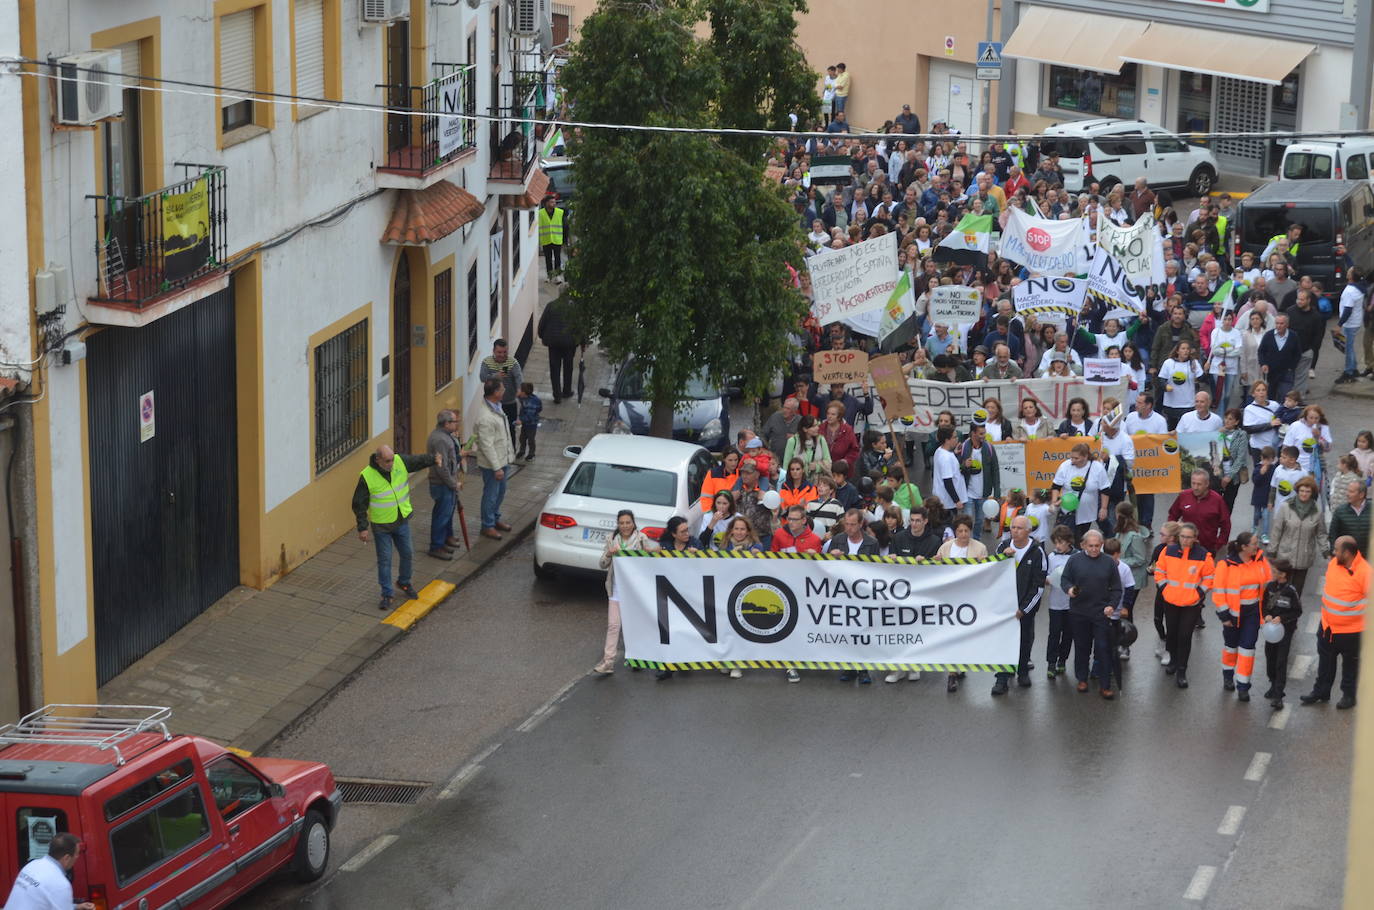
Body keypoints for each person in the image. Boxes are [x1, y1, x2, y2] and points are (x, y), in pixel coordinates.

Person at [352, 443, 439, 611]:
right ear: (378, 460)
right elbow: (359, 504)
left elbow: (417, 461)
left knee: (407, 553)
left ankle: (404, 582)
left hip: (401, 520)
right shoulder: (367, 476)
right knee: (385, 561)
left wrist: (433, 459)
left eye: (392, 460)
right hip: (382, 525)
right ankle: (387, 593)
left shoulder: (400, 461)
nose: (391, 464)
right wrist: (362, 527)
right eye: (387, 461)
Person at [1302, 535, 1368, 709]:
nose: (1333, 552)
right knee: (1325, 663)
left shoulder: (1365, 573)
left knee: (1350, 666)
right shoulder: (1334, 564)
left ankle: (1348, 696)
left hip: (1351, 632)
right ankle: (1321, 691)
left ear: (1346, 553)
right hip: (1327, 627)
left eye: (1337, 550)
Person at [593, 510, 658, 675]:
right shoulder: (611, 540)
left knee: (636, 625)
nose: (625, 526)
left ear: (633, 523)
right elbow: (602, 564)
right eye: (621, 523)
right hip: (616, 590)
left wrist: (651, 551)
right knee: (613, 626)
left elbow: (652, 556)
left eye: (628, 522)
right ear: (618, 524)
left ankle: (638, 657)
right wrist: (609, 553)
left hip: (635, 591)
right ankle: (608, 662)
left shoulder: (641, 538)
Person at [1060, 530, 1123, 699]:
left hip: (1100, 613)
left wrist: (1112, 605)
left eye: (1097, 546)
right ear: (1083, 545)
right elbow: (1065, 579)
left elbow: (1117, 588)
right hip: (1079, 612)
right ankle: (1082, 678)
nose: (1094, 549)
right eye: (1091, 546)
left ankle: (1105, 685)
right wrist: (1069, 589)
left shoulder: (1109, 563)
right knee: (1082, 647)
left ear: (1102, 545)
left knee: (1103, 648)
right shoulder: (1074, 560)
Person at [1155, 522, 1215, 689]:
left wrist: (1198, 594)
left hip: (1191, 604)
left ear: (1195, 538)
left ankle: (1182, 671)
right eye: (1182, 536)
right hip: (1171, 601)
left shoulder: (1203, 555)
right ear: (1178, 536)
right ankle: (1173, 661)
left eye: (1189, 537)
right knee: (1172, 634)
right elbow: (1160, 571)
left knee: (1185, 636)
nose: (1185, 540)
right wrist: (1165, 589)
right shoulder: (1168, 551)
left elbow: (1209, 577)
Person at [1212, 532, 1270, 702]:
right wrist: (1224, 616)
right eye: (1254, 543)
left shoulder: (1260, 561)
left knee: (1248, 648)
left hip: (1252, 613)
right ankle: (1228, 676)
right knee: (1231, 647)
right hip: (1232, 614)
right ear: (1244, 547)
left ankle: (1243, 687)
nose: (1257, 545)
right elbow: (1218, 592)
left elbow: (1268, 584)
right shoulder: (1225, 565)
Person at [993, 515, 1046, 695]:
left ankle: (1022, 671)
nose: (1014, 531)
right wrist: (1002, 558)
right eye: (1013, 527)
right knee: (1003, 641)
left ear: (1028, 531)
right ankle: (1002, 677)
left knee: (1024, 640)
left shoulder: (1038, 552)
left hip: (1024, 609)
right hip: (1004, 608)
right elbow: (992, 573)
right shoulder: (1002, 547)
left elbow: (1038, 587)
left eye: (1019, 528)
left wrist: (1024, 609)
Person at [653, 517, 700, 680]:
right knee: (668, 630)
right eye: (683, 531)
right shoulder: (664, 546)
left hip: (688, 595)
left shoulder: (695, 544)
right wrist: (652, 553)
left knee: (685, 629)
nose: (687, 533)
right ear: (673, 534)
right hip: (668, 594)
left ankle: (684, 660)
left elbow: (704, 567)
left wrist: (697, 556)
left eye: (687, 530)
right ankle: (667, 666)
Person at [1270, 474, 1328, 599]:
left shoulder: (1317, 511)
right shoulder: (1286, 507)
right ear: (1297, 491)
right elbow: (1277, 530)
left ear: (1312, 493)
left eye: (1307, 491)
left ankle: (1292, 616)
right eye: (1302, 491)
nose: (1304, 494)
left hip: (1304, 557)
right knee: (1282, 590)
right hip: (1285, 556)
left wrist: (1325, 551)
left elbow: (1321, 533)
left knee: (1296, 593)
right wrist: (1272, 550)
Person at [472, 378, 516, 541]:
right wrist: (496, 468)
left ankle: (495, 519)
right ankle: (487, 525)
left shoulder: (496, 407)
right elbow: (486, 445)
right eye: (502, 389)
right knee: (491, 495)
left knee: (500, 492)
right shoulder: (485, 417)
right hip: (492, 465)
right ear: (496, 393)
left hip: (501, 461)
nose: (504, 390)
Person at [4, 833, 94, 910]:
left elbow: (41, 901)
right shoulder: (60, 884)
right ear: (66, 858)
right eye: (77, 853)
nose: (77, 857)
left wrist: (75, 907)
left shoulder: (32, 865)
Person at [1262, 557, 1303, 709]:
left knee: (1281, 661)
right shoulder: (1270, 587)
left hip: (1285, 631)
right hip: (1271, 631)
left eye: (1275, 571)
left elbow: (1297, 611)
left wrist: (1282, 618)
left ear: (1283, 575)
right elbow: (1264, 604)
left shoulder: (1291, 591)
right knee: (1270, 659)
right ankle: (1272, 684)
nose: (1272, 573)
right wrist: (1265, 614)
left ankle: (1279, 695)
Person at [1051, 442, 1109, 540]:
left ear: (1085, 457)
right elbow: (1056, 486)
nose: (1072, 461)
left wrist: (1103, 508)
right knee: (1065, 540)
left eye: (1076, 458)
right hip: (1067, 512)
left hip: (1087, 513)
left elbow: (1105, 489)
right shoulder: (1065, 466)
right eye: (1071, 457)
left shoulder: (1097, 467)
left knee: (1081, 539)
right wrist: (1054, 502)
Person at [425, 410, 463, 560]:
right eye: (455, 422)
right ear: (446, 423)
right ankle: (436, 547)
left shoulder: (443, 436)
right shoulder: (440, 440)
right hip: (442, 484)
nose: (457, 424)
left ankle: (443, 541)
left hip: (444, 483)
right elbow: (442, 467)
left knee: (443, 514)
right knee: (441, 515)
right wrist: (454, 484)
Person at [1168, 469, 1230, 555]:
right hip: (1184, 546)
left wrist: (1218, 545)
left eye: (1199, 484)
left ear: (1207, 484)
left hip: (1207, 548)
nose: (1195, 487)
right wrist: (1172, 536)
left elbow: (1226, 525)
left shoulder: (1217, 500)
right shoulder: (1184, 496)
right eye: (1193, 483)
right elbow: (1172, 515)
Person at [1044, 525, 1077, 679]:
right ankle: (1051, 662)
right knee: (1054, 633)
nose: (1058, 546)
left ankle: (1062, 660)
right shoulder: (1051, 557)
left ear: (1069, 542)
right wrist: (1048, 580)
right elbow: (1048, 575)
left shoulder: (1076, 557)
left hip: (1071, 604)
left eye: (1061, 542)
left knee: (1068, 634)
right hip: (1055, 603)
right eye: (1056, 542)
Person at [537, 292, 579, 403]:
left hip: (554, 344)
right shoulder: (574, 307)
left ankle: (557, 395)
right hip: (569, 344)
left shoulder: (551, 305)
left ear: (559, 293)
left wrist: (542, 336)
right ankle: (567, 391)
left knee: (554, 369)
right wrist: (582, 341)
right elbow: (579, 325)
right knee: (568, 368)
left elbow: (542, 323)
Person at [479, 338, 523, 441]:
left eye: (504, 352)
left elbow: (518, 377)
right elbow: (482, 377)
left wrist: (519, 388)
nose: (502, 355)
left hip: (509, 402)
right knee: (493, 429)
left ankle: (511, 452)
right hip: (492, 403)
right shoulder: (487, 362)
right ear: (494, 351)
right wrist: (496, 375)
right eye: (499, 352)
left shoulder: (512, 363)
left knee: (510, 429)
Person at [1258, 313, 1302, 401]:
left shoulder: (1293, 336)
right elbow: (1261, 351)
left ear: (1287, 324)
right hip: (1271, 372)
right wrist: (1263, 364)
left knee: (1285, 396)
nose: (1279, 326)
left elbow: (1297, 353)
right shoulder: (1268, 335)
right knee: (1271, 398)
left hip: (1286, 373)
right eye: (1277, 323)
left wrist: (1292, 367)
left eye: (1281, 323)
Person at [1329, 479, 1371, 557]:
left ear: (1361, 494)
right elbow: (1333, 535)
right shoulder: (1340, 511)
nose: (1347, 494)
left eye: (1351, 492)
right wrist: (1333, 553)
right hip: (1347, 558)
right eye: (1347, 491)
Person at [931, 425, 967, 514]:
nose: (957, 439)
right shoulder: (946, 458)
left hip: (944, 501)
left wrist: (954, 453)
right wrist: (957, 500)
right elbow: (948, 481)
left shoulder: (939, 451)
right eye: (954, 437)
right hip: (948, 504)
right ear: (947, 440)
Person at [762, 397, 802, 466]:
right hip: (775, 459)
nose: (784, 410)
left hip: (793, 462)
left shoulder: (800, 421)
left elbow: (807, 439)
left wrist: (796, 438)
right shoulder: (775, 417)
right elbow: (763, 434)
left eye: (788, 409)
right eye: (784, 407)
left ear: (795, 411)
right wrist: (766, 449)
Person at [538, 194, 567, 281]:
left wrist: (565, 240)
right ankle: (549, 275)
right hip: (546, 239)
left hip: (557, 239)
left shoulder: (560, 212)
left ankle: (557, 276)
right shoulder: (540, 213)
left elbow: (565, 226)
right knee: (548, 259)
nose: (553, 204)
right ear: (546, 203)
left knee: (557, 258)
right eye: (551, 202)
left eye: (554, 202)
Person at [514, 382, 542, 461]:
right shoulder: (524, 397)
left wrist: (521, 420)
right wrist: (518, 395)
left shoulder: (532, 402)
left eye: (520, 390)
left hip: (531, 424)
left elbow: (530, 415)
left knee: (531, 439)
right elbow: (540, 409)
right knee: (522, 438)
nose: (518, 391)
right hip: (526, 424)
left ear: (524, 392)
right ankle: (522, 451)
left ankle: (531, 454)